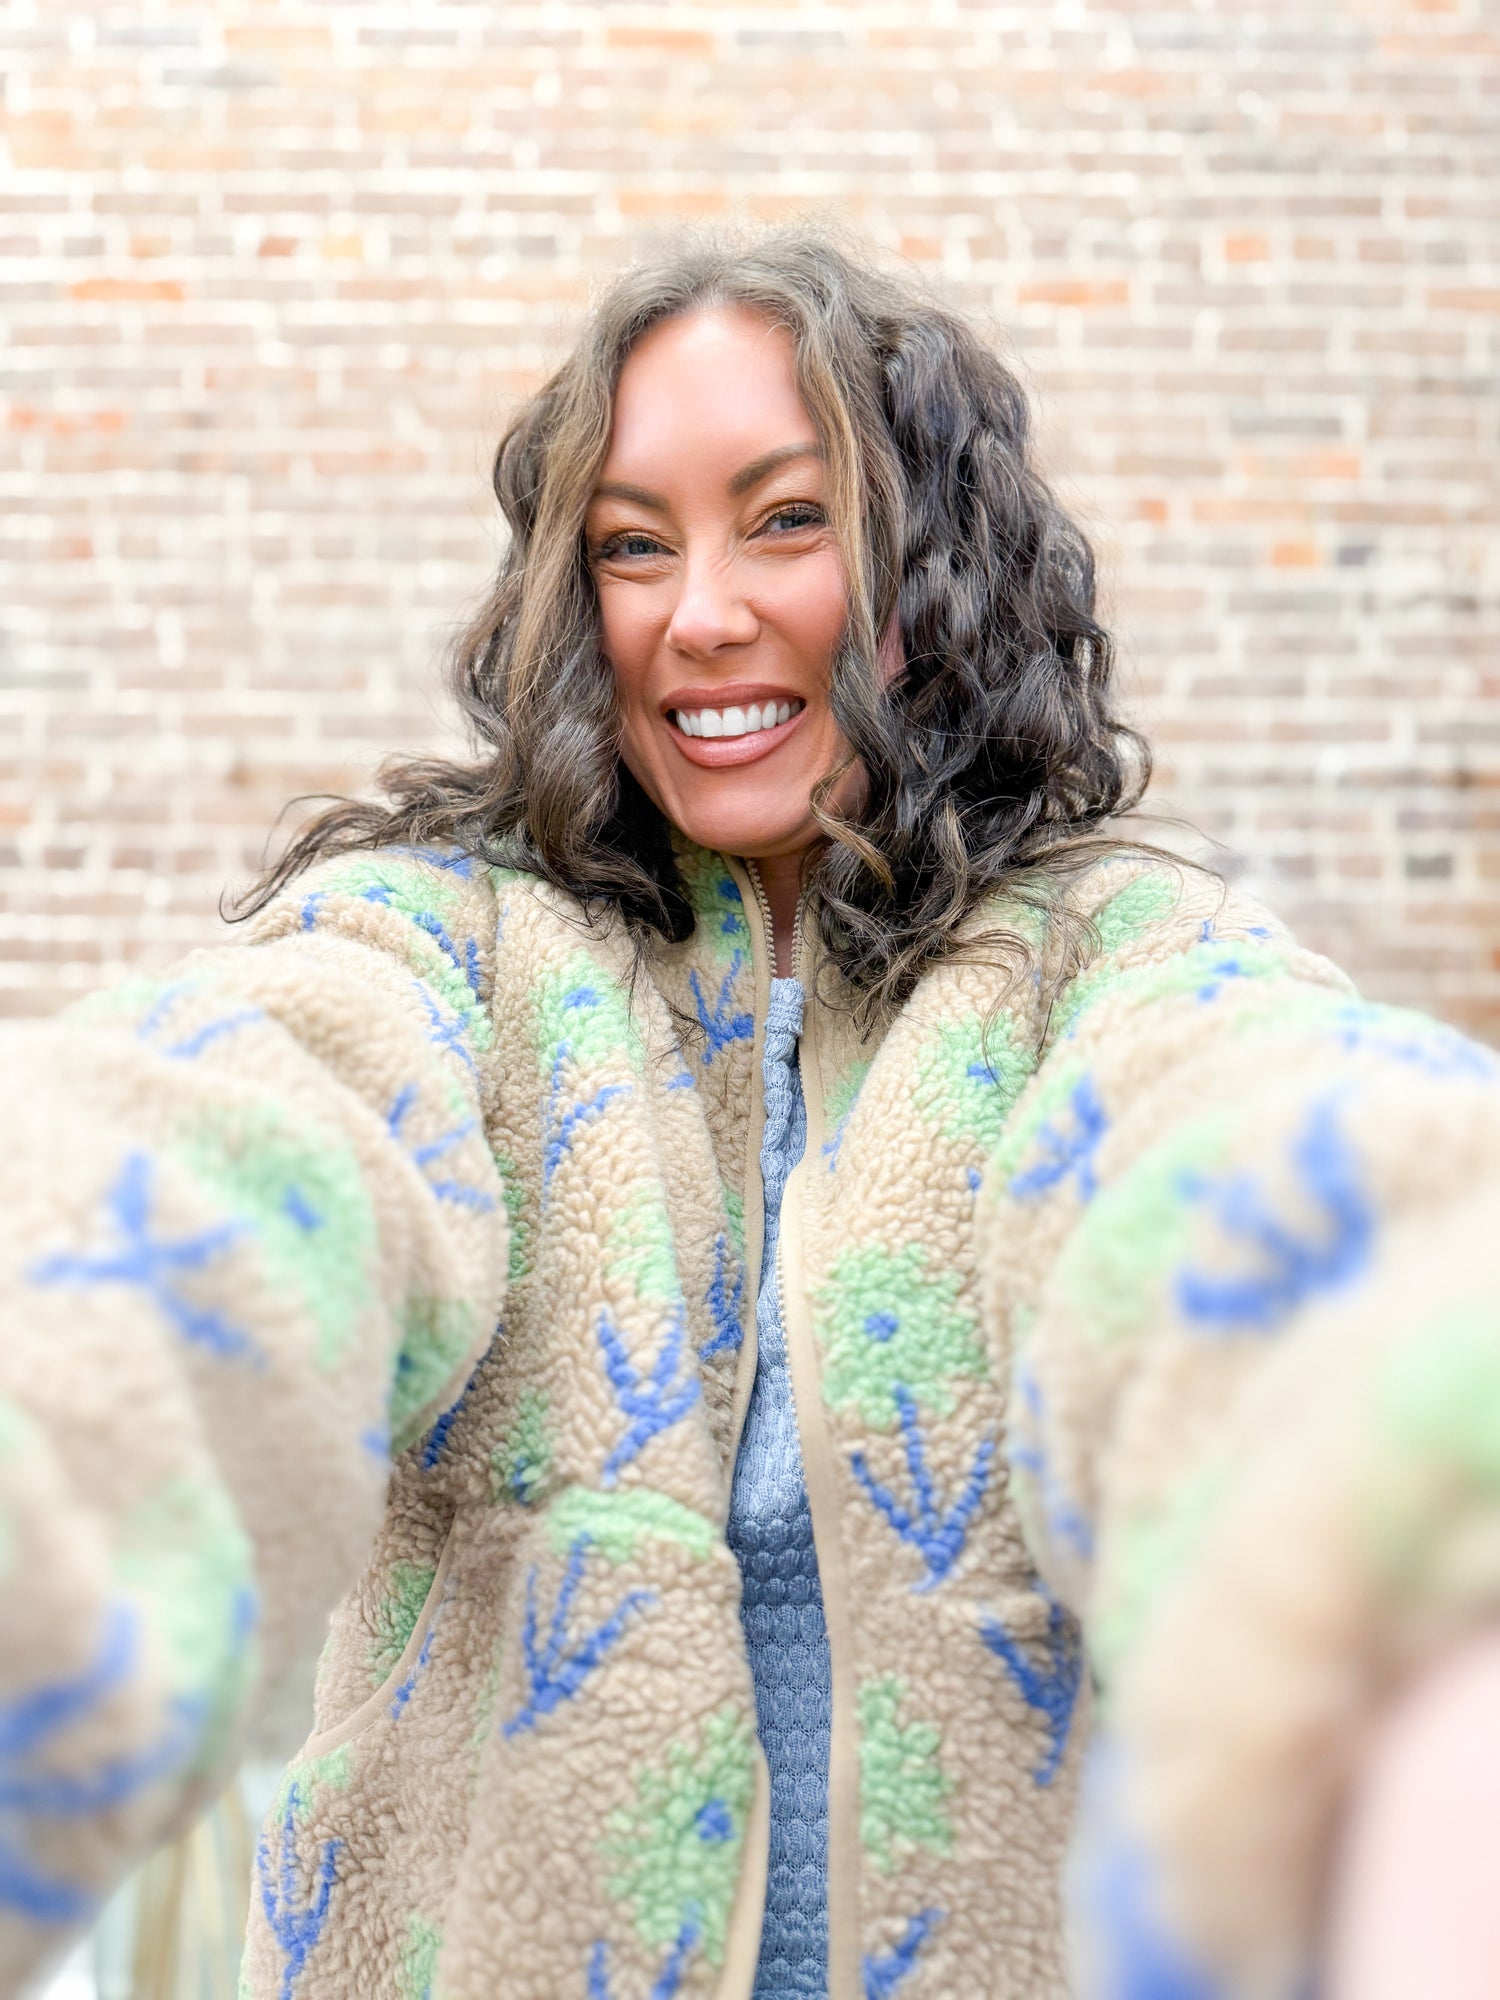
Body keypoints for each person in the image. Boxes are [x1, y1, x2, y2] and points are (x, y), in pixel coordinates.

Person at [2, 229, 1499, 2000]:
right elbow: (215, 1153)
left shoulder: (1112, 961)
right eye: (632, 544)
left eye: (787, 520)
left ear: (933, 564)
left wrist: (1425, 1552)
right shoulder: (451, 956)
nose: (698, 613)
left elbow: (1276, 1159)